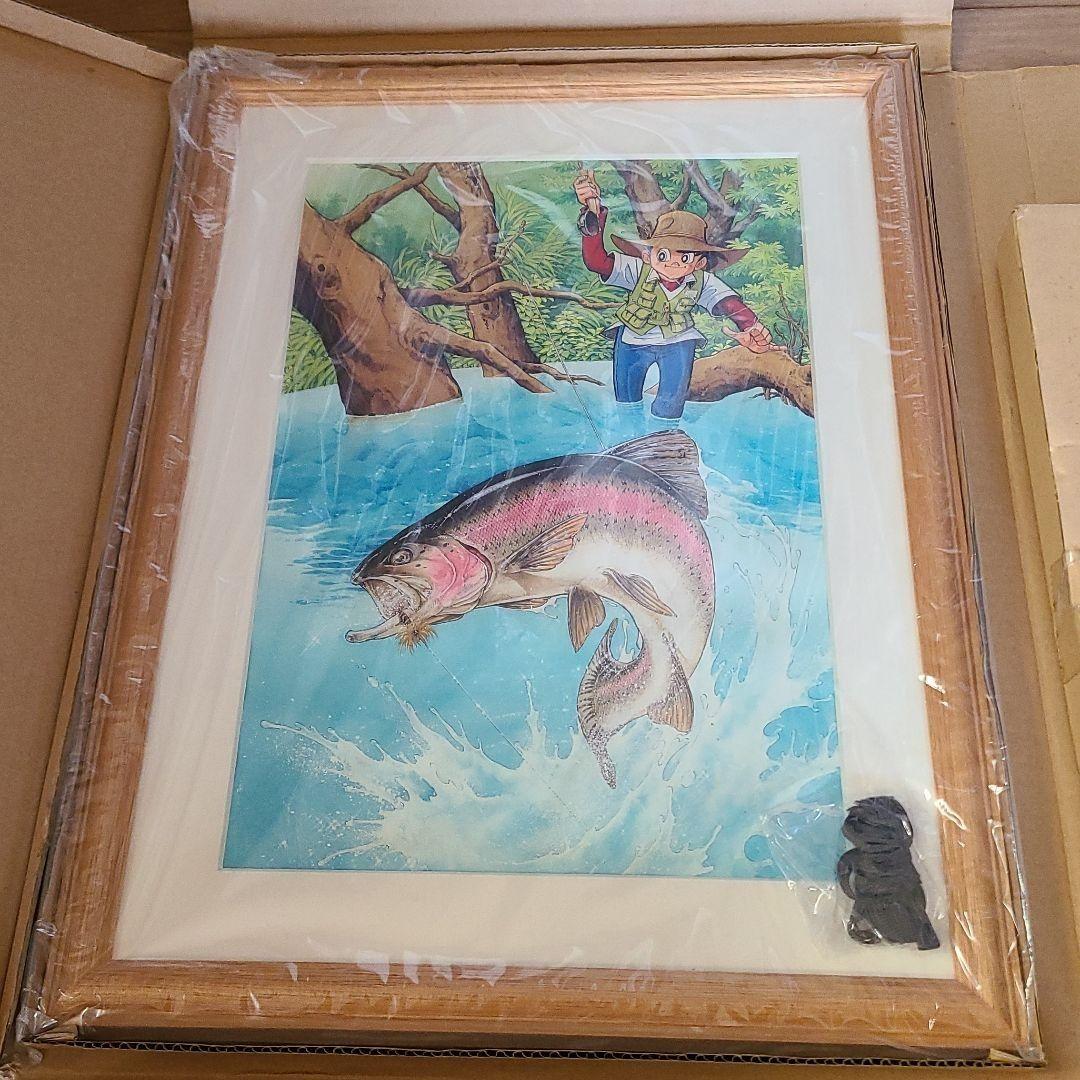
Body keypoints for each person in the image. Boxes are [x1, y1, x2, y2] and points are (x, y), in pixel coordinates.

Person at [574, 168, 779, 420]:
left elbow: (730, 303)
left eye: (684, 257)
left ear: (699, 263)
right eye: (663, 254)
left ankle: (668, 439)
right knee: (627, 405)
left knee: (670, 409)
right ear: (648, 255)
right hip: (632, 341)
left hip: (678, 342)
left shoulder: (702, 281)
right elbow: (597, 261)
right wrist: (593, 214)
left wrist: (753, 328)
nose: (672, 263)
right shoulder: (637, 270)